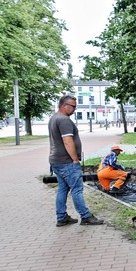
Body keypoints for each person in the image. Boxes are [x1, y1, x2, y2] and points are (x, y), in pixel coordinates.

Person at [48, 95, 104, 226]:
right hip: (67, 162)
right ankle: (86, 216)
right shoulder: (64, 120)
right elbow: (68, 141)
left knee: (62, 189)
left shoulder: (54, 118)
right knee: (77, 189)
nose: (74, 109)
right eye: (73, 106)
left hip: (56, 161)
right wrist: (74, 159)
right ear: (64, 105)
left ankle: (61, 217)